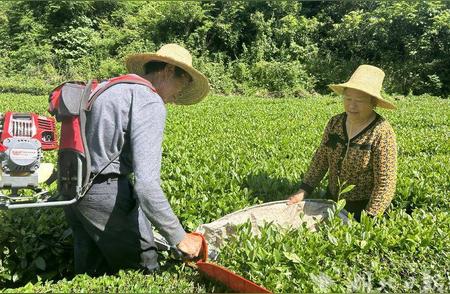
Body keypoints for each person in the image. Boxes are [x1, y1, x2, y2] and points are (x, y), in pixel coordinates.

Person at [64, 44, 210, 275]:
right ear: (169, 70)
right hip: (105, 194)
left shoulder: (108, 87)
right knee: (143, 272)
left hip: (72, 191)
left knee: (92, 275)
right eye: (180, 86)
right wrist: (179, 237)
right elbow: (147, 185)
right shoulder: (148, 100)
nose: (175, 97)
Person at [287, 65, 397, 220]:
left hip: (363, 207)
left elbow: (386, 183)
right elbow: (321, 159)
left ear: (373, 103)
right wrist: (303, 190)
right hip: (332, 201)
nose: (352, 106)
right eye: (348, 99)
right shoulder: (335, 123)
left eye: (359, 101)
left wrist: (369, 218)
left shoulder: (381, 132)